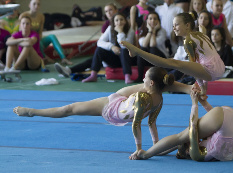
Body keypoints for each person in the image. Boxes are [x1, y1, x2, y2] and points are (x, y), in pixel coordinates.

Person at [13, 67, 177, 158]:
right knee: (69, 109)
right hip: (112, 104)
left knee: (69, 110)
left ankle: (31, 111)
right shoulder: (154, 97)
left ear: (152, 82)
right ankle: (31, 111)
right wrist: (141, 148)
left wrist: (153, 147)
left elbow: (146, 123)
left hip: (117, 106)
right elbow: (141, 123)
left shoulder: (152, 98)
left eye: (145, 78)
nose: (142, 80)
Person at [121, 12, 225, 97]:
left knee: (172, 63)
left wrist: (202, 88)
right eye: (173, 25)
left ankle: (138, 52)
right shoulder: (200, 34)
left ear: (187, 25)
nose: (174, 28)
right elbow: (198, 65)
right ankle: (138, 52)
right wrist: (203, 88)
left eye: (176, 25)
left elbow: (195, 70)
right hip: (220, 67)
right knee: (175, 64)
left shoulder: (188, 41)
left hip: (212, 70)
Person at [129, 83, 233, 161]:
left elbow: (193, 129)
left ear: (188, 151)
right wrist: (197, 103)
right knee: (180, 137)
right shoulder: (198, 153)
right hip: (225, 119)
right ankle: (147, 154)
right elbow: (192, 130)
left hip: (230, 120)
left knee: (181, 137)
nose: (191, 140)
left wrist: (199, 103)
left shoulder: (201, 153)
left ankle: (148, 153)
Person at [54, 3, 119, 78]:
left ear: (116, 10)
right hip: (110, 52)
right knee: (93, 59)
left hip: (121, 54)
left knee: (95, 57)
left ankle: (69, 70)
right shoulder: (106, 25)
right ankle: (69, 70)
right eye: (106, 11)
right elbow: (102, 42)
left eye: (110, 10)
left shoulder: (121, 22)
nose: (109, 13)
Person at [80, 13, 135, 84]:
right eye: (117, 20)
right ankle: (93, 75)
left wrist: (120, 32)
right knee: (99, 50)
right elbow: (99, 42)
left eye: (121, 19)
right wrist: (112, 47)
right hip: (114, 60)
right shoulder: (110, 28)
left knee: (124, 50)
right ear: (114, 22)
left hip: (127, 59)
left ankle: (127, 76)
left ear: (125, 21)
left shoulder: (130, 30)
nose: (119, 22)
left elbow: (125, 46)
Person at [19, 0, 72, 65]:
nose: (36, 6)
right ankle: (44, 58)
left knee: (52, 36)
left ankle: (63, 58)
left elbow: (40, 32)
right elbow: (20, 32)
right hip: (29, 40)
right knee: (38, 41)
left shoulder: (41, 16)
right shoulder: (24, 15)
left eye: (38, 4)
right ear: (29, 5)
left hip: (37, 39)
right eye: (34, 4)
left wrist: (39, 39)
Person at [134, 12, 169, 83]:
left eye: (155, 19)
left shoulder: (163, 31)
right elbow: (143, 44)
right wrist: (150, 31)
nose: (153, 21)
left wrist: (154, 31)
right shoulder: (142, 30)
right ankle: (140, 77)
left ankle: (156, 78)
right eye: (150, 19)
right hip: (148, 59)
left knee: (153, 49)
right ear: (147, 21)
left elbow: (153, 44)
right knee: (142, 50)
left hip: (161, 57)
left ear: (158, 21)